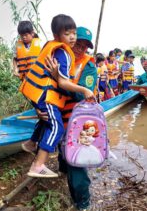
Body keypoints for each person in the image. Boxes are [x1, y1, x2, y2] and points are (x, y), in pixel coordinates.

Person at [20, 15, 94, 178]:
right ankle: (38, 165)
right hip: (45, 96)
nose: (74, 40)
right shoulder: (63, 53)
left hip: (41, 95)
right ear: (58, 36)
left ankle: (32, 143)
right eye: (69, 34)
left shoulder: (88, 66)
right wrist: (84, 90)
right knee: (56, 127)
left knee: (48, 122)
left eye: (74, 34)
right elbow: (63, 83)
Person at [45, 26, 97, 210]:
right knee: (63, 154)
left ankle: (82, 203)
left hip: (77, 122)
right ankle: (62, 170)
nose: (80, 48)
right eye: (78, 43)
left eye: (85, 46)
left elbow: (81, 95)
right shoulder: (60, 57)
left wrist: (59, 79)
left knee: (77, 163)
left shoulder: (89, 67)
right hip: (58, 117)